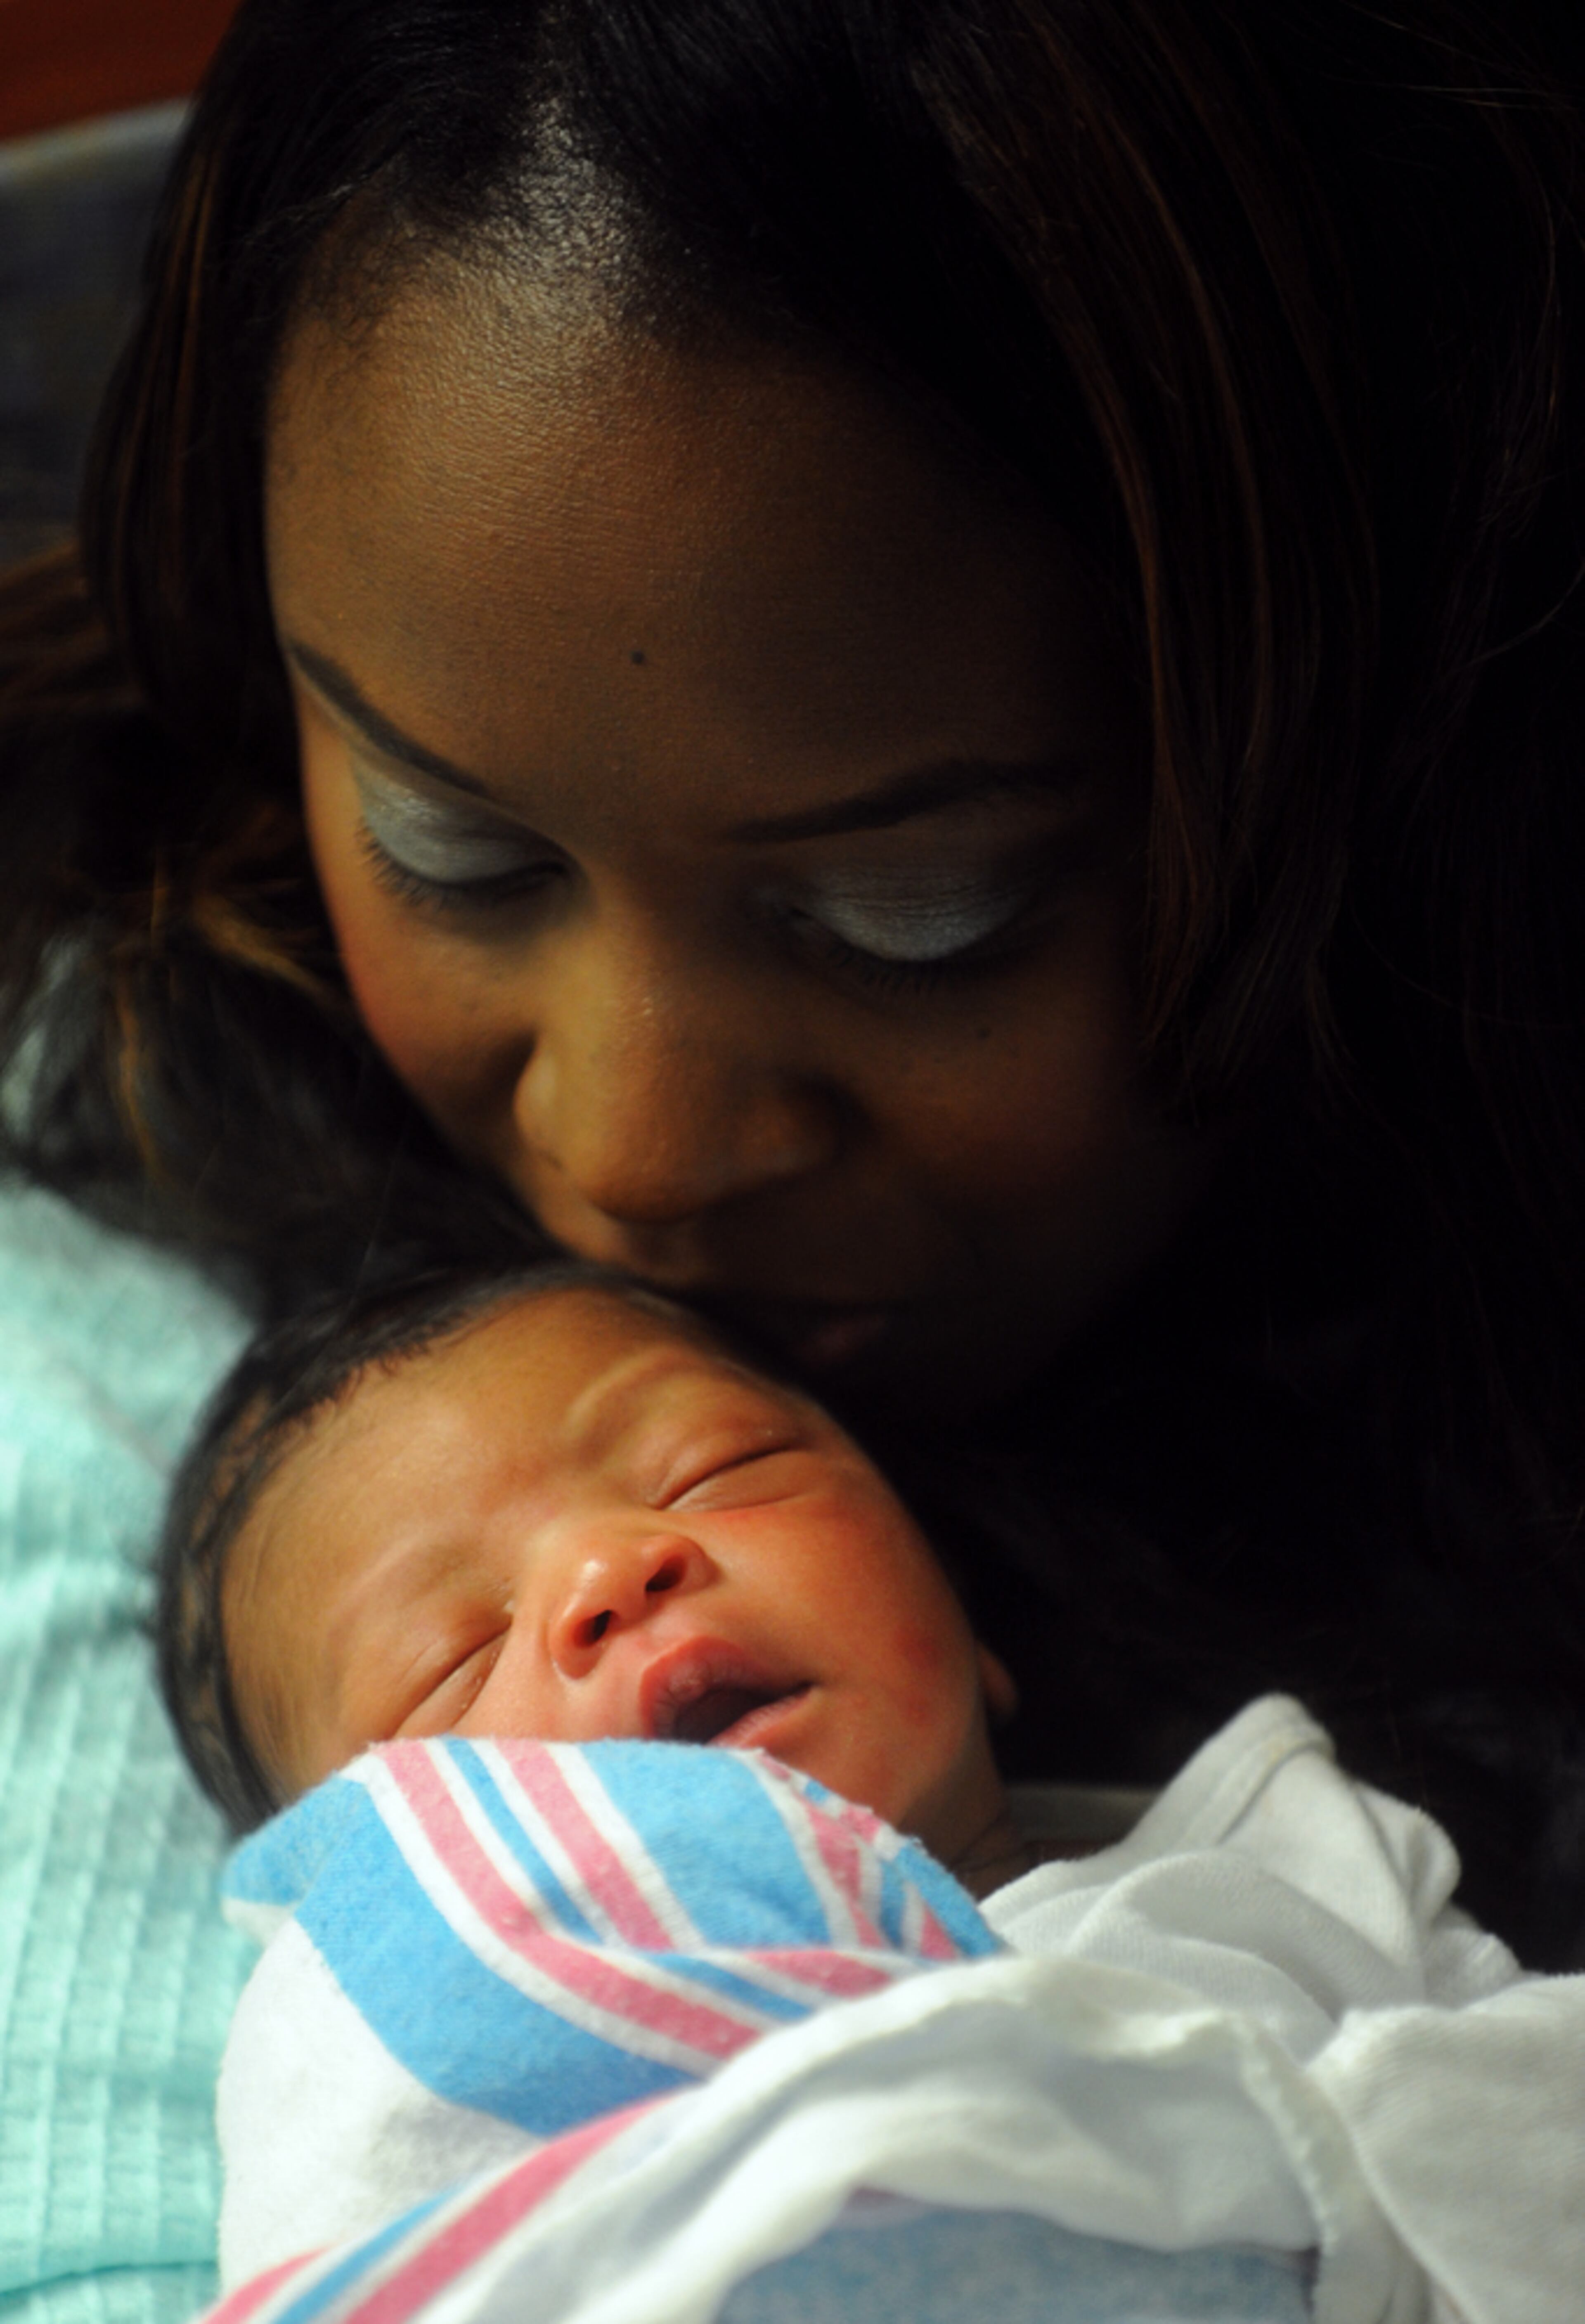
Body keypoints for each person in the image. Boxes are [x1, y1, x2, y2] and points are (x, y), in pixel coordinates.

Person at [0, 0, 1582, 2019]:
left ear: (1402, 770)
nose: (628, 1152)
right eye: (455, 850)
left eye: (918, 912)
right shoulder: (119, 1234)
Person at [158, 1262, 1574, 2324]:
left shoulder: (1299, 1851)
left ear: (973, 1631)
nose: (610, 1571)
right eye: (450, 1656)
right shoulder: (422, 2081)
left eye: (720, 1469)